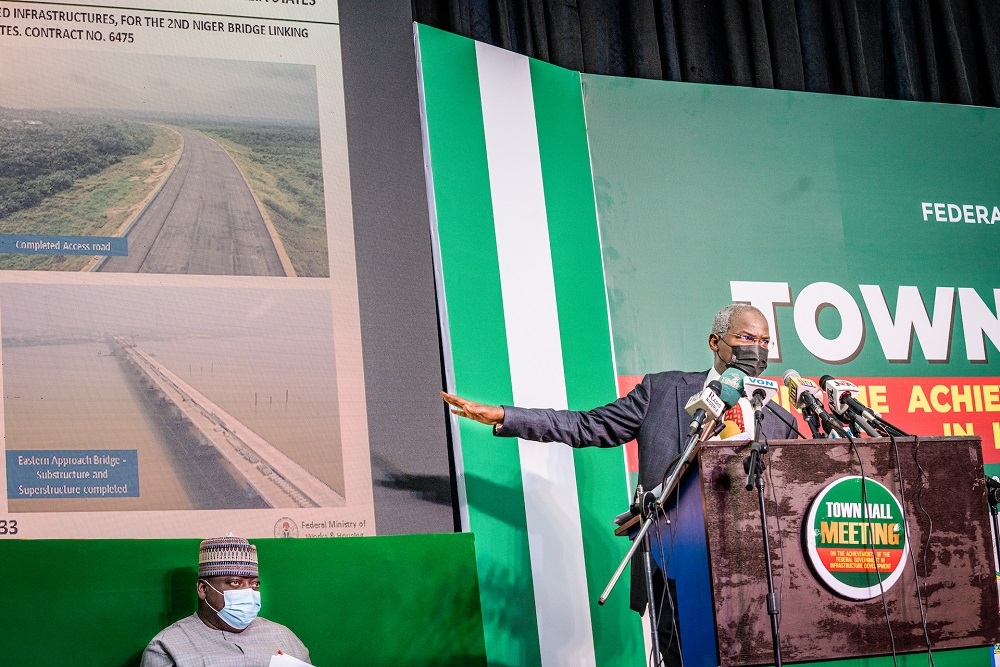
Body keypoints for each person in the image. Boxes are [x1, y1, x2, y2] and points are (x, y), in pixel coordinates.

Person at [442, 303, 798, 667]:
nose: (756, 349)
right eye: (746, 338)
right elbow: (587, 425)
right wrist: (507, 416)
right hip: (677, 561)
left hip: (751, 570)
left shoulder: (777, 419)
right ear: (715, 341)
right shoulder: (663, 391)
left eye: (765, 341)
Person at [141, 535, 311, 667]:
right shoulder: (167, 648)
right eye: (235, 582)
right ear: (202, 589)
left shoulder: (284, 637)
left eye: (254, 584)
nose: (248, 592)